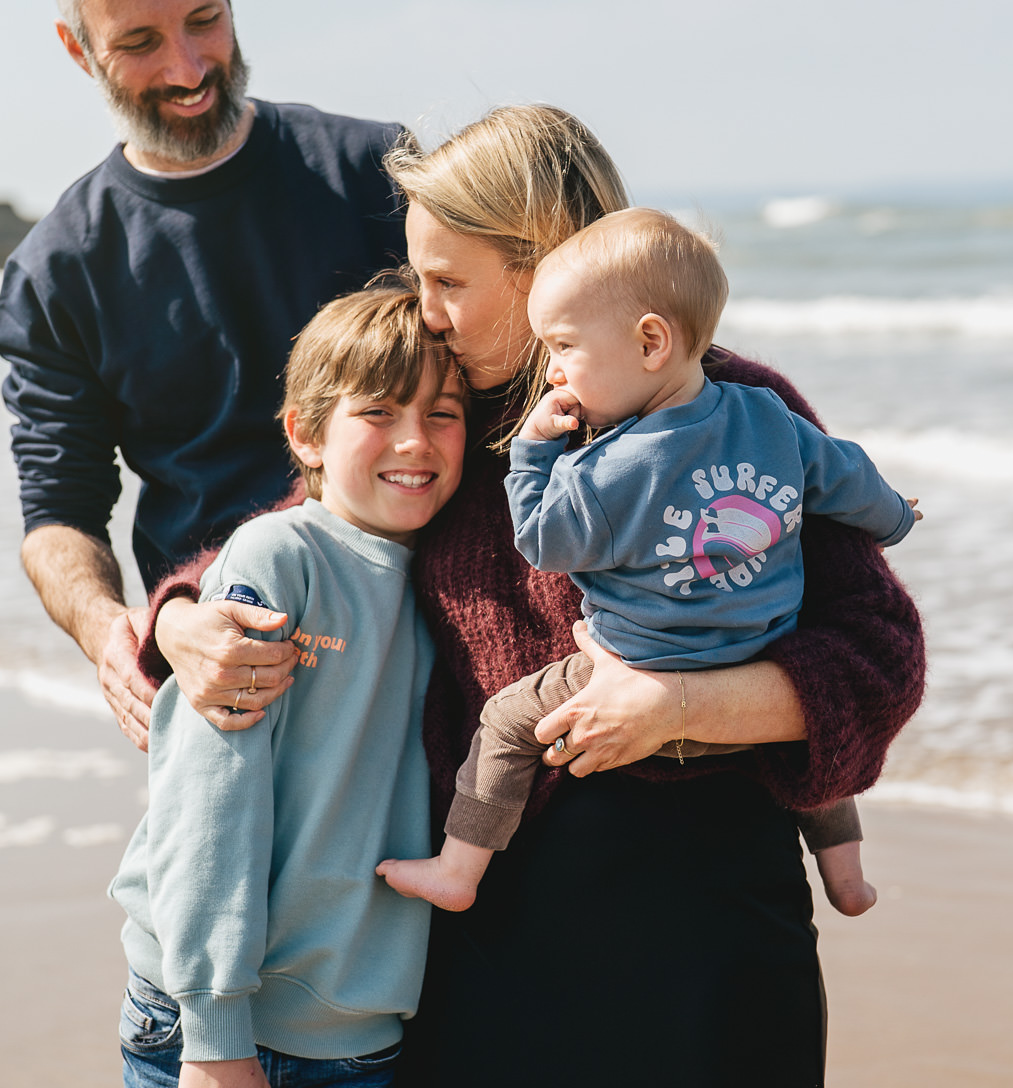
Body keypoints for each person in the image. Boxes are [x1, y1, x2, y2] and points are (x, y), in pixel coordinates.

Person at [143, 106, 925, 1086]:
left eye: (447, 281)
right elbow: (308, 524)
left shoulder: (736, 411)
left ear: (541, 262)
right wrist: (180, 615)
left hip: (709, 928)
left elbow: (877, 652)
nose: (426, 310)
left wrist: (677, 706)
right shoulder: (443, 426)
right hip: (485, 930)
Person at [375, 207, 919, 919]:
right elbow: (851, 481)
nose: (555, 370)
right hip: (760, 649)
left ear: (651, 342)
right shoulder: (769, 418)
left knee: (508, 721)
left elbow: (544, 541)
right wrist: (898, 517)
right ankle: (846, 878)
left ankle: (457, 868)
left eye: (564, 347)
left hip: (639, 663)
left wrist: (534, 452)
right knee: (810, 759)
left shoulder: (607, 468)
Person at [0, 0, 405, 750]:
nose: (186, 68)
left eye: (204, 21)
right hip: (225, 675)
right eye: (139, 40)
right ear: (78, 48)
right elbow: (57, 514)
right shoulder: (58, 270)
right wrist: (119, 634)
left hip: (431, 640)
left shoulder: (379, 173)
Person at [113, 281, 466, 1088]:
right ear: (306, 434)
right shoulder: (281, 558)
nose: (415, 441)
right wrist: (214, 1030)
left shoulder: (452, 577)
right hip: (214, 1021)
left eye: (442, 415)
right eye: (378, 411)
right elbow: (210, 799)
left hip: (356, 1031)